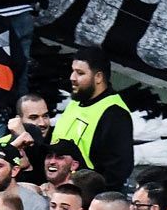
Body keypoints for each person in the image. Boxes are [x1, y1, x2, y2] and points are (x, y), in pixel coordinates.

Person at [48, 47, 132, 189]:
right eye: (73, 70)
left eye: (80, 73)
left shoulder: (115, 114)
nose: (72, 77)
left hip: (83, 196)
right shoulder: (78, 100)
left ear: (98, 77)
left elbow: (116, 172)